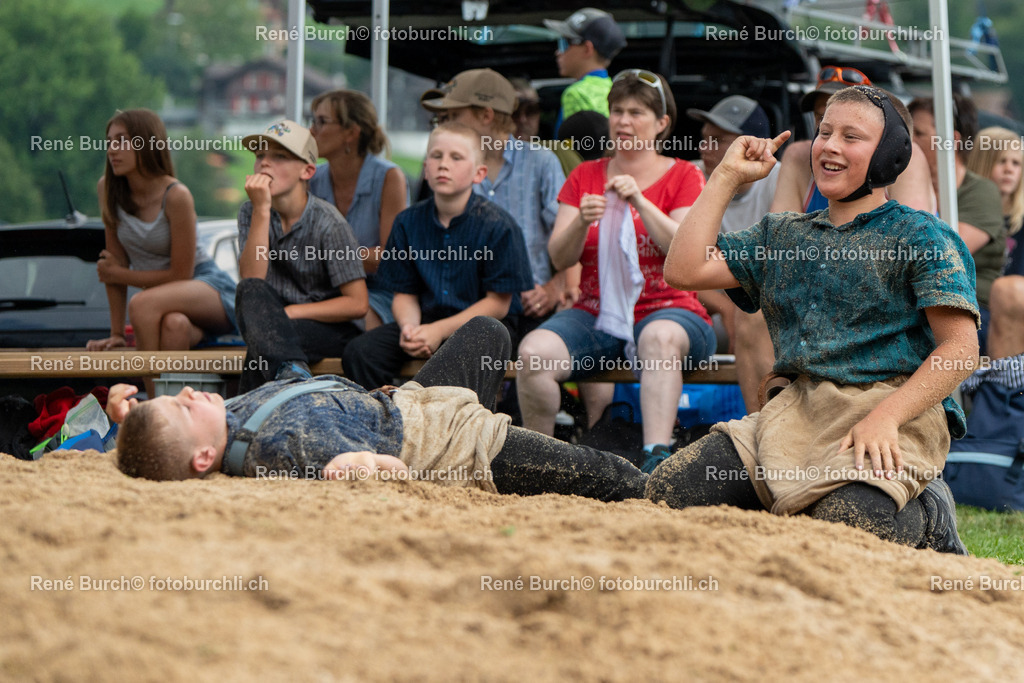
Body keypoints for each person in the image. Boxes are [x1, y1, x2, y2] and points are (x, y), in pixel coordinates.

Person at [650, 85, 980, 555]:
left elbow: (961, 351)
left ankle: (931, 509)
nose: (830, 145)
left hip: (890, 415)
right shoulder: (783, 233)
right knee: (669, 493)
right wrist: (724, 177)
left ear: (887, 155)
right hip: (795, 411)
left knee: (843, 525)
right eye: (825, 132)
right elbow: (683, 269)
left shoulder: (922, 235)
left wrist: (885, 417)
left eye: (852, 137)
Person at [111, 316, 646, 503]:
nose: (186, 394)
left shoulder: (230, 418)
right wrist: (355, 467)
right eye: (180, 409)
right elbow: (360, 468)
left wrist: (128, 422)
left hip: (411, 403)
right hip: (454, 446)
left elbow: (159, 449)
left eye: (173, 396)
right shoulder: (288, 444)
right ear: (203, 459)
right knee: (615, 476)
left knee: (488, 333)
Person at [517, 70, 715, 473]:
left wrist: (642, 202)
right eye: (617, 111)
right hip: (597, 311)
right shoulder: (585, 175)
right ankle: (534, 458)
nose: (623, 121)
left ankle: (655, 461)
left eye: (636, 112)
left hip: (670, 308)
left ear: (662, 124)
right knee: (532, 354)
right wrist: (577, 223)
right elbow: (559, 257)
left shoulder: (684, 174)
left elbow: (685, 251)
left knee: (659, 339)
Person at [735, 68, 934, 414]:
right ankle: (767, 424)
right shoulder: (799, 156)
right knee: (749, 315)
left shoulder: (907, 158)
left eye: (850, 130)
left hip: (877, 289)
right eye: (822, 119)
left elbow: (903, 247)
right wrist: (724, 178)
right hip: (810, 283)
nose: (831, 138)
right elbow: (781, 243)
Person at [341, 122, 533, 391]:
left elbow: (498, 305)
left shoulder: (500, 226)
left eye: (456, 157)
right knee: (360, 352)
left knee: (470, 350)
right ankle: (387, 420)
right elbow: (404, 293)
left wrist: (438, 332)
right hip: (426, 320)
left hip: (484, 331)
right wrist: (411, 330)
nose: (444, 164)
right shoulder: (407, 222)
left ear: (479, 173)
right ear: (426, 167)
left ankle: (452, 425)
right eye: (436, 156)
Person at [86, 109, 238, 398]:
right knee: (175, 326)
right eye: (109, 142)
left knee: (142, 305)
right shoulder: (108, 190)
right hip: (167, 305)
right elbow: (112, 266)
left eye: (122, 141)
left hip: (206, 287)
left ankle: (156, 408)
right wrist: (117, 334)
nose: (112, 150)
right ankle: (175, 409)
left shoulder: (176, 195)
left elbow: (180, 274)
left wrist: (120, 274)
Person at [420, 69, 569, 338]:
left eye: (451, 117)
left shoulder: (541, 161)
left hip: (529, 308)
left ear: (486, 116)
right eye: (440, 120)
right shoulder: (446, 166)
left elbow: (571, 240)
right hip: (461, 307)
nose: (443, 127)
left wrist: (554, 288)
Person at [235, 119, 368, 392]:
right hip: (273, 324)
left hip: (329, 328)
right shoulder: (251, 211)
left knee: (263, 349)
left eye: (280, 156)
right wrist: (261, 211)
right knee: (256, 311)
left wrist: (291, 312)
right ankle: (292, 380)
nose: (265, 163)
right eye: (260, 155)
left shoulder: (328, 222)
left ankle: (246, 419)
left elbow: (357, 304)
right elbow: (252, 280)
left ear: (307, 171)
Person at [909, 95, 1005, 353]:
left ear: (951, 140)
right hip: (922, 306)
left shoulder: (981, 191)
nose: (908, 141)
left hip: (972, 310)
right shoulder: (898, 187)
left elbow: (942, 258)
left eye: (918, 133)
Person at [686, 95, 779, 359]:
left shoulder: (779, 179)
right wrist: (725, 306)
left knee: (759, 326)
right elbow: (670, 267)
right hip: (704, 308)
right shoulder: (688, 175)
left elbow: (780, 269)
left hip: (766, 311)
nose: (705, 146)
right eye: (704, 137)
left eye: (718, 140)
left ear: (753, 147)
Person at [308, 90, 408, 329]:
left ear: (351, 132)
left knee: (341, 324)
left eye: (321, 122)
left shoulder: (388, 178)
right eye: (313, 120)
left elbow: (391, 258)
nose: (312, 130)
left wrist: (330, 256)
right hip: (324, 292)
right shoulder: (312, 179)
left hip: (378, 294)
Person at [543, 8, 626, 131]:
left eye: (565, 43)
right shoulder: (617, 91)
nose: (558, 52)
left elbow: (572, 148)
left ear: (587, 49)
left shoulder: (576, 94)